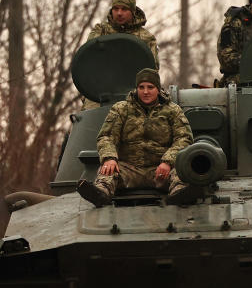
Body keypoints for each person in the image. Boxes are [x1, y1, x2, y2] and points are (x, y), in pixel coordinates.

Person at [76, 68, 202, 207]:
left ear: (158, 89)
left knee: (181, 172)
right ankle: (100, 194)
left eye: (150, 87)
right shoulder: (121, 109)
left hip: (161, 170)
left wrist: (168, 161)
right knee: (108, 171)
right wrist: (110, 158)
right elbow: (107, 137)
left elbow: (184, 138)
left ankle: (180, 194)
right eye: (141, 87)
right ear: (136, 89)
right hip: (129, 170)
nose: (146, 92)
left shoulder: (172, 110)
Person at [84, 0, 159, 109]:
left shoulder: (146, 38)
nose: (119, 13)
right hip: (102, 93)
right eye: (116, 9)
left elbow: (152, 70)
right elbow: (88, 59)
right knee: (90, 116)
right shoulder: (101, 31)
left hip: (135, 93)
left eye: (124, 9)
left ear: (133, 12)